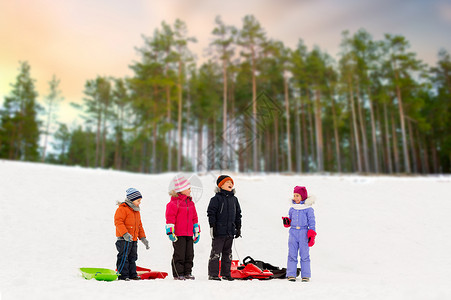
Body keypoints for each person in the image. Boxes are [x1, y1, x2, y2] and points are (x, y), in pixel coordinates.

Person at [207, 175, 242, 281]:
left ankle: (226, 273)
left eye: (231, 182)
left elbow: (238, 214)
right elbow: (211, 213)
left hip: (230, 231)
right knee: (216, 253)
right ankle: (213, 274)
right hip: (219, 231)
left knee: (228, 253)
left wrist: (238, 227)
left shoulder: (234, 200)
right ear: (221, 185)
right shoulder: (216, 199)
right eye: (227, 182)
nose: (230, 184)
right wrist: (213, 226)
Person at [165, 174, 200, 280]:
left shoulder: (191, 203)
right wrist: (171, 232)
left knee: (189, 254)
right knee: (179, 254)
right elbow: (170, 219)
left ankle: (187, 272)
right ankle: (178, 273)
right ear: (182, 189)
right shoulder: (173, 204)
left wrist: (196, 231)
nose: (190, 191)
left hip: (189, 233)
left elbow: (195, 218)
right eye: (188, 189)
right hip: (179, 234)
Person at [114, 188, 150, 281]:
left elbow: (139, 226)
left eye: (140, 201)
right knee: (123, 257)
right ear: (131, 200)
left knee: (132, 257)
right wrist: (125, 234)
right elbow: (118, 222)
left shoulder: (136, 211)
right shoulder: (122, 209)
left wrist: (143, 238)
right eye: (138, 200)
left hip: (133, 240)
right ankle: (123, 275)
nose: (139, 202)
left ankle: (132, 274)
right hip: (123, 239)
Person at [282, 186, 316, 282]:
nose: (295, 198)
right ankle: (291, 274)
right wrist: (287, 221)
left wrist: (311, 234)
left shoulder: (308, 209)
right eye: (294, 195)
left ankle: (306, 275)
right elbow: (290, 220)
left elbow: (312, 222)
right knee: (292, 254)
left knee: (304, 254)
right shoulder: (292, 208)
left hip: (303, 233)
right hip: (293, 233)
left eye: (298, 196)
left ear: (303, 197)